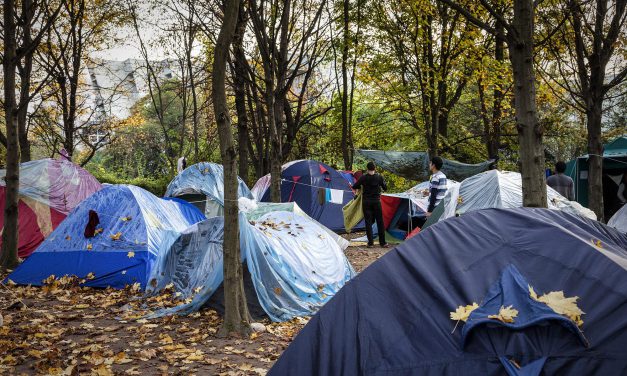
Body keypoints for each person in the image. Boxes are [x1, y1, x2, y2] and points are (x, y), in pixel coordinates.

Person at [352, 162, 388, 248]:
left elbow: (355, 186)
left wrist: (361, 187)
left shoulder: (363, 177)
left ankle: (370, 243)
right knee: (380, 222)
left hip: (366, 202)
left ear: (367, 169)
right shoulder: (379, 177)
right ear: (375, 169)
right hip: (376, 202)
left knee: (368, 222)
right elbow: (385, 188)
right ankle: (382, 243)